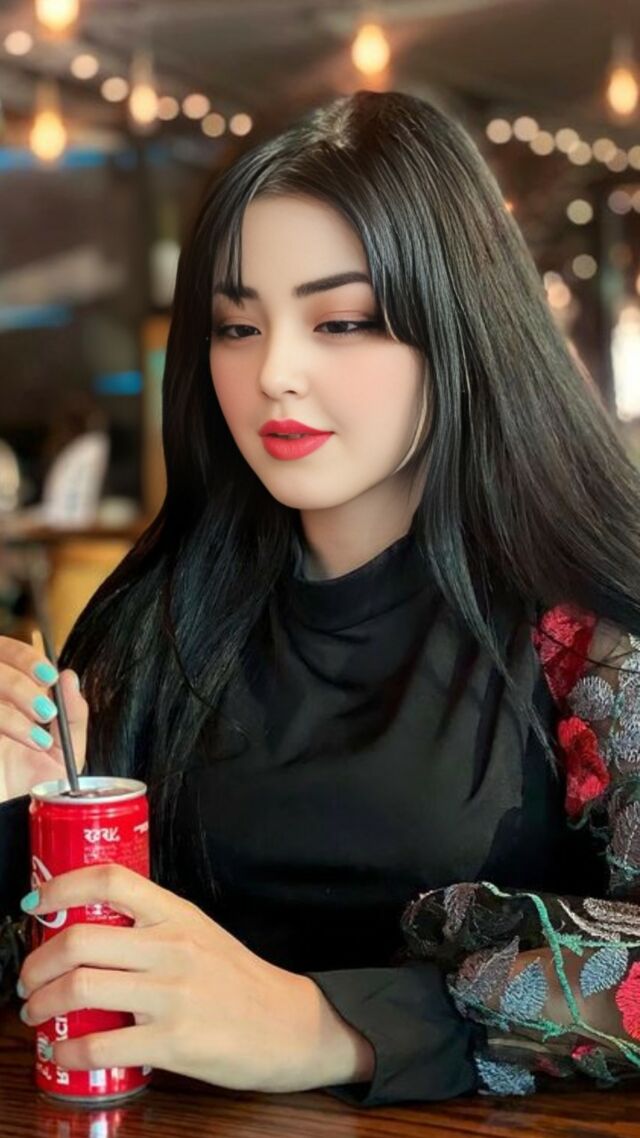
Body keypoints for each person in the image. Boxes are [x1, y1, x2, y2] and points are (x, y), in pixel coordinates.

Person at [1, 88, 640, 1106]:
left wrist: (333, 1027)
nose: (274, 373)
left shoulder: (590, 636)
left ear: (460, 326)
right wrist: (19, 814)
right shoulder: (154, 624)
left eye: (340, 321)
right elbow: (61, 977)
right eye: (235, 326)